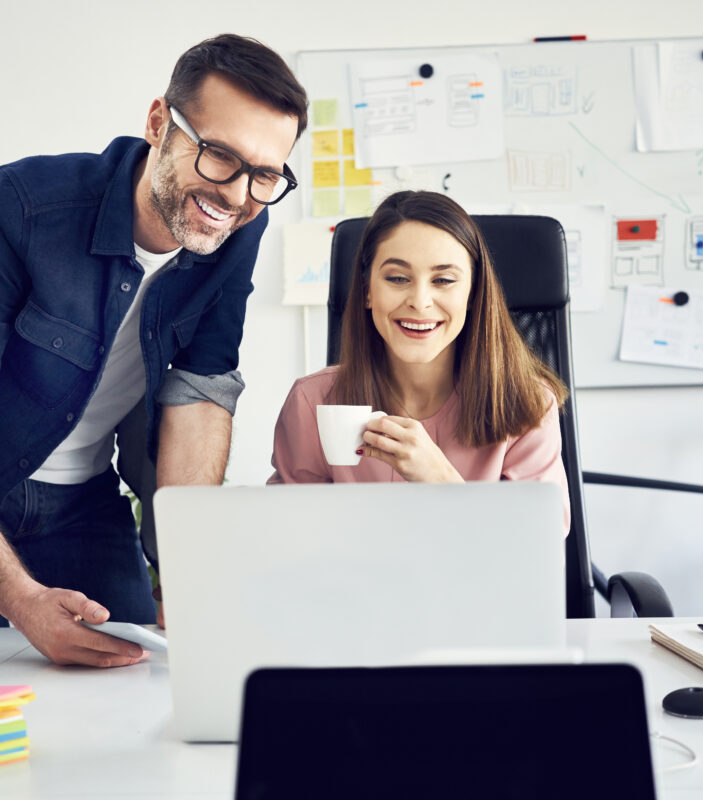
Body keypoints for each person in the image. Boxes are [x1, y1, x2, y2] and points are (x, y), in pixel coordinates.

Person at [0, 34, 307, 667]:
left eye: (265, 175)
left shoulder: (241, 224)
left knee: (140, 681)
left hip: (81, 503)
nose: (237, 196)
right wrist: (22, 600)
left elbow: (202, 384)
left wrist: (189, 574)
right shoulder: (22, 209)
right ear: (158, 123)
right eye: (220, 156)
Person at [269, 191, 570, 529]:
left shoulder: (527, 403)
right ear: (368, 289)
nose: (420, 301)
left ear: (472, 293)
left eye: (443, 280)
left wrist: (442, 483)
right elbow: (288, 537)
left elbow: (538, 542)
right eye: (398, 278)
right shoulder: (312, 402)